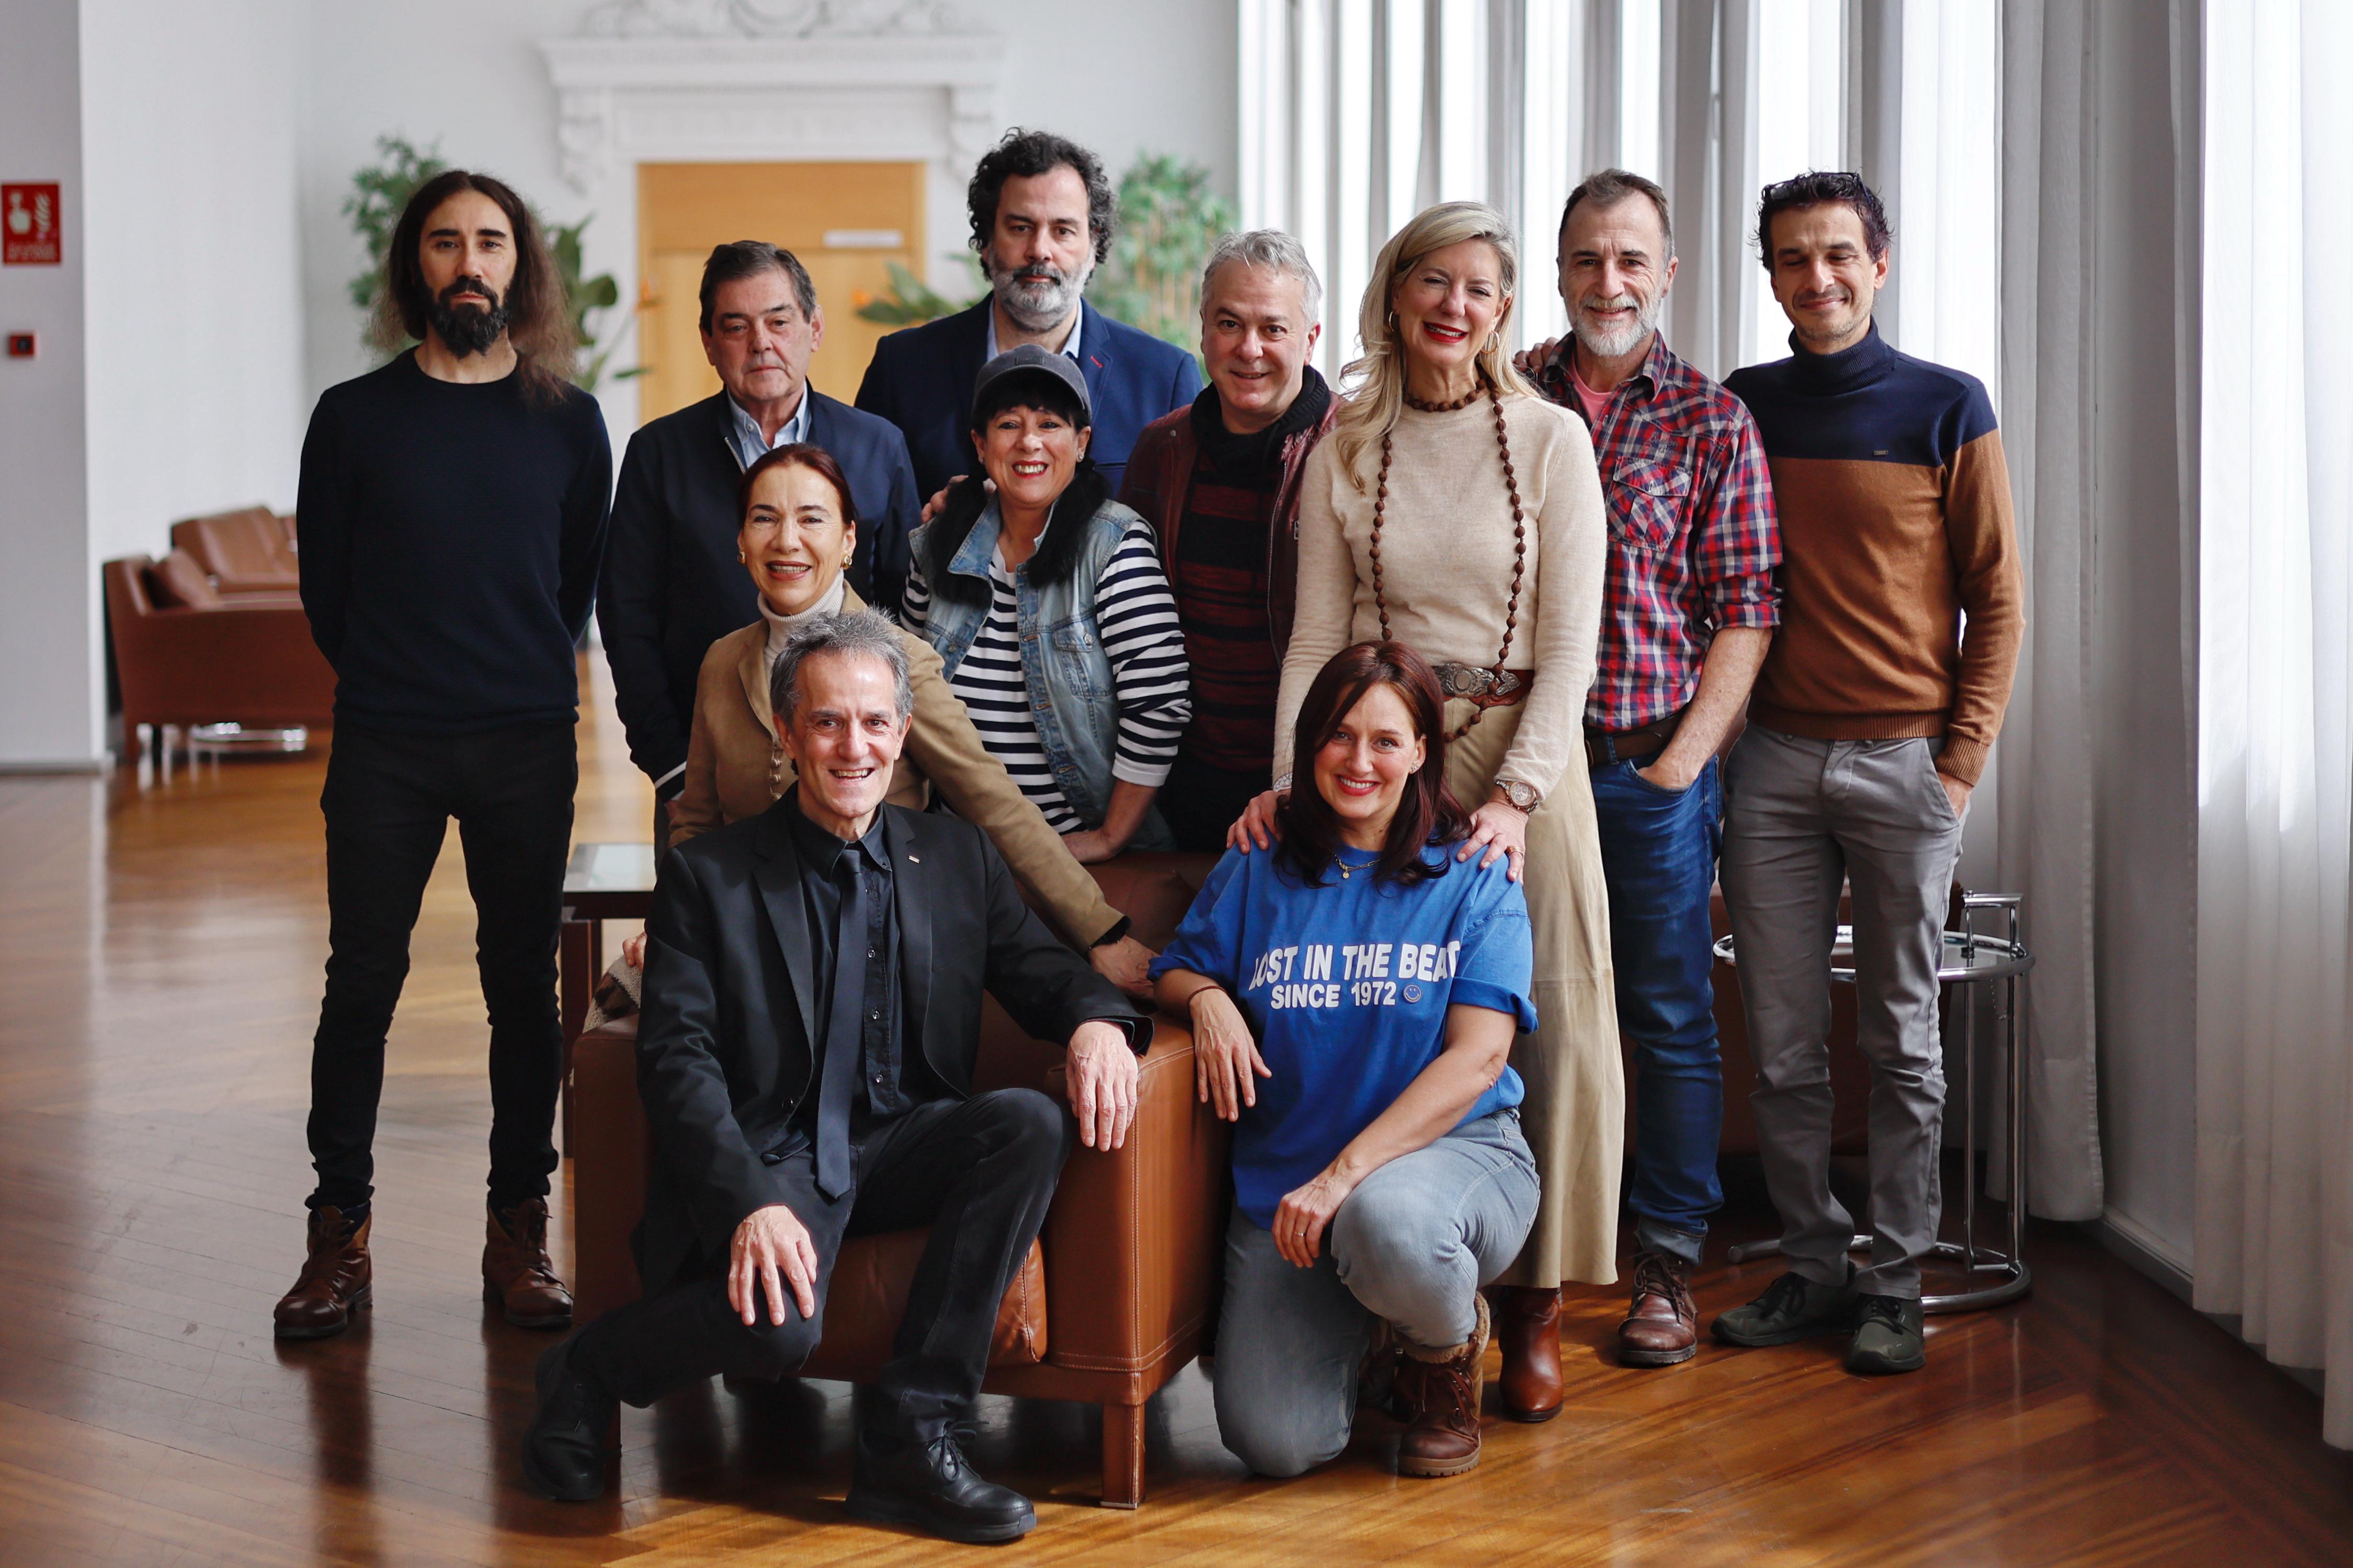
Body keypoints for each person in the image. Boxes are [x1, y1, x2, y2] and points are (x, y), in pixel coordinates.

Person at [520, 611, 1154, 1543]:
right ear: (787, 734)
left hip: (903, 1140)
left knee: (1027, 1121)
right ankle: (586, 1367)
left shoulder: (955, 857)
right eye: (825, 721)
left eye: (872, 722)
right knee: (778, 1330)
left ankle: (911, 1439)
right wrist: (748, 1201)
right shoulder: (710, 876)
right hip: (776, 1150)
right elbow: (676, 1059)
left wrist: (1098, 1021)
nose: (852, 746)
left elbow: (1040, 971)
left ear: (902, 732)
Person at [1233, 201, 1616, 1424]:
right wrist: (1289, 782)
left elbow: (1571, 647)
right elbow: (1315, 638)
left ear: (1504, 310)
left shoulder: (1551, 439)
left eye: (1480, 288)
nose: (1454, 306)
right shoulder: (1345, 444)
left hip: (1520, 755)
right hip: (1379, 752)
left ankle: (1533, 1304)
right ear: (1393, 294)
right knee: (1386, 1003)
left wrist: (1516, 796)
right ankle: (1402, 1293)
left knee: (1550, 1023)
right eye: (1432, 282)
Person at [277, 170, 611, 1340]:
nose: (470, 262)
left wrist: (505, 668)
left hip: (525, 738)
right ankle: (337, 1233)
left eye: (490, 242)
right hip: (388, 740)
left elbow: (572, 586)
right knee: (359, 983)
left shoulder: (569, 421)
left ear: (522, 266)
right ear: (413, 265)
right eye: (445, 242)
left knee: (521, 985)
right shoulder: (352, 417)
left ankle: (518, 1229)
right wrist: (400, 676)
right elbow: (327, 590)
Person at [1713, 171, 2022, 1376]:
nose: (1818, 277)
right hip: (1771, 766)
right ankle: (1811, 1262)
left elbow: (1996, 598)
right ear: (1770, 276)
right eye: (1792, 258)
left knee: (1900, 1040)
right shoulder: (1743, 405)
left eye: (1837, 253)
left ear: (1877, 263)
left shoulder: (1947, 405)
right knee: (1782, 1044)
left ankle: (1891, 1278)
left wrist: (1958, 768)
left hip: (1906, 765)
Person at [1154, 642, 1539, 1481]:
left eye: (1385, 740)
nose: (1358, 760)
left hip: (1451, 1160)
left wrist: (1344, 1175)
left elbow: (1478, 1060)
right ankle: (1373, 1330)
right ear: (1308, 744)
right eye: (1337, 734)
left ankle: (1441, 1350)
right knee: (1274, 1442)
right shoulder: (1258, 859)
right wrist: (1207, 998)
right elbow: (1176, 965)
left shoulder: (1473, 872)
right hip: (1290, 1188)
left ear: (1421, 751)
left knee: (1386, 1222)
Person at [1518, 170, 1781, 1368]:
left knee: (1666, 1013)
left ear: (1665, 272)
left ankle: (1666, 1259)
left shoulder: (1709, 421)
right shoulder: (1508, 394)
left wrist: (1680, 765)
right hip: (1520, 773)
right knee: (1510, 1005)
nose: (1606, 281)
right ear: (1557, 270)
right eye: (1585, 258)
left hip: (1643, 771)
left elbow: (1745, 607)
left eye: (1629, 259)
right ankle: (1518, 1256)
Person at [650, 440, 1155, 993]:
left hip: (870, 940)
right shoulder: (722, 661)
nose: (786, 540)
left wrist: (1098, 929)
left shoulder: (898, 659)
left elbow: (991, 799)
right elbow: (695, 824)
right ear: (741, 540)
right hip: (743, 940)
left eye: (811, 519)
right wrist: (672, 927)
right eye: (764, 518)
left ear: (848, 540)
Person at [599, 241, 921, 847]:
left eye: (778, 321)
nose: (760, 343)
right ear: (708, 341)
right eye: (736, 326)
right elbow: (626, 618)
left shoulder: (877, 446)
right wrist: (672, 770)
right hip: (707, 780)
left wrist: (887, 764)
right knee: (703, 912)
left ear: (813, 329)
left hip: (851, 775)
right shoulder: (658, 454)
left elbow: (906, 611)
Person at [903, 346, 1191, 861]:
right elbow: (902, 696)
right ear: (980, 444)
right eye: (1008, 424)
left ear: (1081, 442)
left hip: (1074, 852)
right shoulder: (933, 548)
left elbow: (1159, 703)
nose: (1029, 442)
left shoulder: (1114, 546)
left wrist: (1108, 838)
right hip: (953, 852)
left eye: (1050, 424)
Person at [1118, 230, 1339, 851]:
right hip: (1182, 779)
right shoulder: (1160, 449)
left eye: (1273, 328)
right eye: (1228, 323)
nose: (1249, 348)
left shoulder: (1357, 450)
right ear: (1202, 331)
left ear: (1310, 339)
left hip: (1317, 777)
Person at [856, 128, 1202, 500]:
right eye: (1021, 228)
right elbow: (862, 519)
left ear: (1093, 247)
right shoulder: (902, 368)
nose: (1039, 250)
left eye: (1063, 231)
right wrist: (931, 527)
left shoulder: (1163, 378)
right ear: (986, 242)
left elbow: (1183, 524)